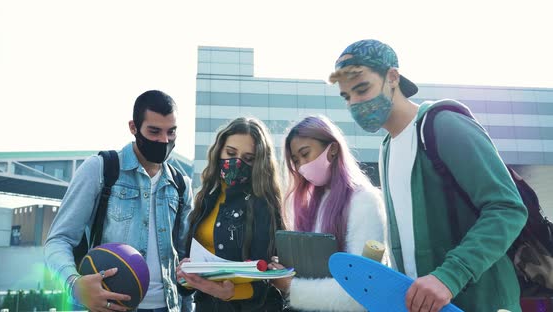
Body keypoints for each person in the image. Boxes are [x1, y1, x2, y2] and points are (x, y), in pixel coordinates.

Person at [329, 39, 528, 312]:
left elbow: (507, 209)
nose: (355, 103)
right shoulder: (386, 149)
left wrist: (449, 276)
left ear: (392, 77)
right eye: (346, 96)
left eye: (362, 89)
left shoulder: (443, 124)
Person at [45, 90, 194, 312]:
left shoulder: (182, 185)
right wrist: (74, 285)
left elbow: (185, 259)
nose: (164, 140)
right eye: (154, 131)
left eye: (171, 132)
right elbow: (58, 240)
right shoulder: (100, 169)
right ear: (133, 127)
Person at [268, 115, 387, 312]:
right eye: (296, 161)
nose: (301, 167)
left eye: (305, 154)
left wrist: (291, 286)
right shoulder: (310, 204)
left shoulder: (365, 201)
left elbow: (360, 292)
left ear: (332, 149)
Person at [176, 117, 285, 311]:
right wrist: (184, 276)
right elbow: (186, 285)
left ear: (258, 163)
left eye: (248, 158)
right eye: (231, 153)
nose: (237, 162)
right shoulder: (205, 200)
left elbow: (266, 280)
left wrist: (228, 293)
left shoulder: (265, 206)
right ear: (219, 151)